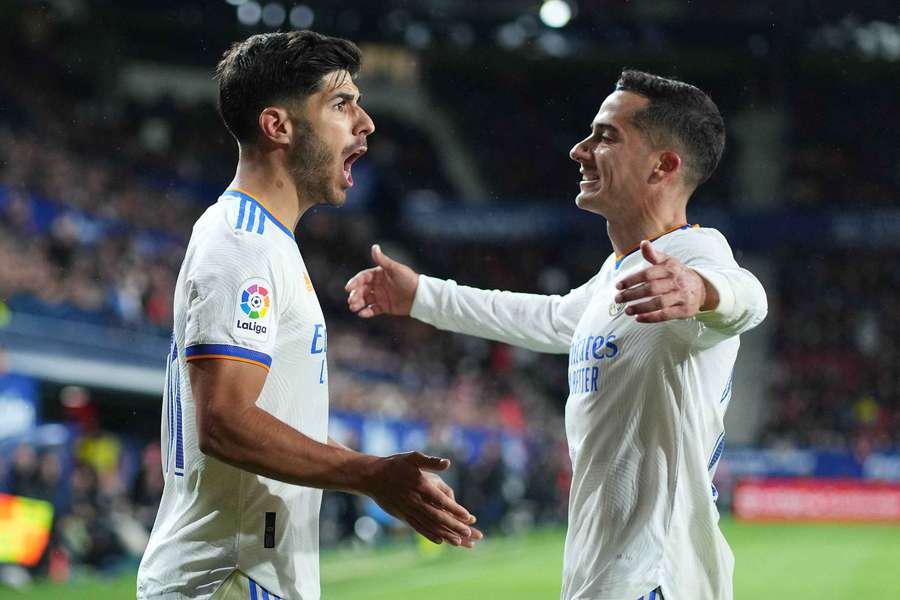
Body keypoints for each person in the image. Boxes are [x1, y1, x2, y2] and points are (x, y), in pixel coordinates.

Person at [346, 70, 768, 600]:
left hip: (655, 576)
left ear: (664, 165)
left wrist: (705, 291)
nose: (579, 149)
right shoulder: (614, 277)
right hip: (602, 575)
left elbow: (749, 297)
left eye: (607, 136)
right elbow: (545, 318)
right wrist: (421, 297)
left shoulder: (693, 254)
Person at [137, 31, 480, 600]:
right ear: (278, 126)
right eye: (342, 104)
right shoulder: (242, 243)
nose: (366, 122)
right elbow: (224, 420)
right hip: (229, 577)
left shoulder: (266, 239)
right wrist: (369, 473)